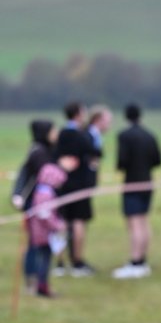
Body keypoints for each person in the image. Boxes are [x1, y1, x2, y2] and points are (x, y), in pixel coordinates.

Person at [113, 103, 161, 279]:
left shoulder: (124, 136)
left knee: (134, 223)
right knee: (143, 220)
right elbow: (158, 160)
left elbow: (122, 161)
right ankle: (142, 259)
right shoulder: (150, 135)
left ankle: (135, 262)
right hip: (147, 182)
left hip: (132, 183)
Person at [10, 119, 57, 290]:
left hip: (40, 204)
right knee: (36, 243)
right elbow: (25, 175)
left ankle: (37, 280)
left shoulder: (42, 149)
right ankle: (33, 280)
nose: (56, 134)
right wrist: (17, 195)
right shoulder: (39, 153)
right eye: (53, 131)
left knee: (39, 242)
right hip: (37, 204)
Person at [26, 153, 79, 298]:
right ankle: (42, 286)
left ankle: (41, 284)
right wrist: (57, 225)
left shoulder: (42, 191)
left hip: (42, 232)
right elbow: (45, 215)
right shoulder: (45, 194)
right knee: (44, 259)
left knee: (44, 259)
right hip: (43, 234)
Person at [54, 101, 97, 276]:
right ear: (78, 114)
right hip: (80, 184)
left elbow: (55, 156)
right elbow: (95, 153)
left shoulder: (61, 134)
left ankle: (59, 263)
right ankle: (77, 262)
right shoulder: (82, 135)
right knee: (78, 222)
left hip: (62, 184)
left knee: (61, 222)